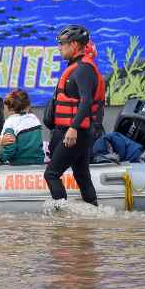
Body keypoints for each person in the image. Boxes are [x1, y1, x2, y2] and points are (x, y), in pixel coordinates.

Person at [43, 24, 105, 206]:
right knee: (81, 174)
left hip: (77, 133)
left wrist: (73, 128)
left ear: (75, 45)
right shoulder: (77, 67)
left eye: (62, 43)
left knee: (51, 174)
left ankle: (62, 218)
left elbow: (86, 101)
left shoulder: (84, 69)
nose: (59, 47)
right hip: (79, 132)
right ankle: (93, 212)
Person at [0, 88, 44, 166]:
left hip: (19, 165)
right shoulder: (34, 118)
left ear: (10, 108)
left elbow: (10, 149)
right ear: (28, 105)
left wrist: (0, 159)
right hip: (39, 161)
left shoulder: (10, 122)